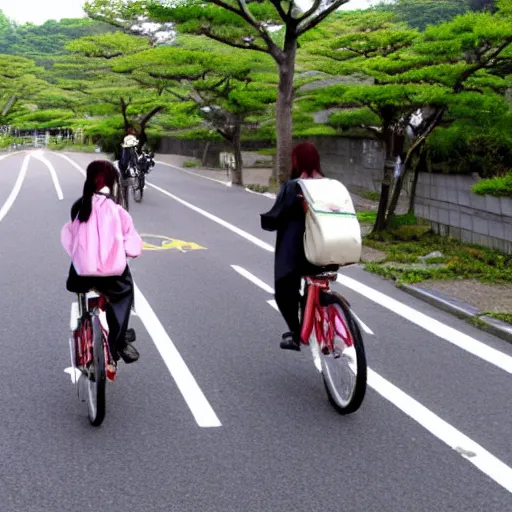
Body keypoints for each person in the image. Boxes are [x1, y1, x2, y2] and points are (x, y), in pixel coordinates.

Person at [61, 160, 142, 364]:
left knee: (78, 268)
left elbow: (69, 240)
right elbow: (133, 245)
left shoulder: (78, 207)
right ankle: (119, 342)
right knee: (125, 292)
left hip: (81, 276)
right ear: (112, 182)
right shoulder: (118, 210)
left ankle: (83, 323)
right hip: (112, 276)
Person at [261, 142, 338, 352]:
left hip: (299, 254)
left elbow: (276, 216)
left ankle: (295, 333)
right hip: (329, 250)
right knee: (316, 280)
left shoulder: (294, 186)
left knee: (285, 290)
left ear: (296, 161)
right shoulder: (330, 184)